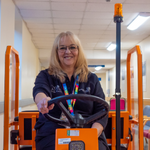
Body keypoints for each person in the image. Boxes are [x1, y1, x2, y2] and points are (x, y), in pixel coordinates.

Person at [33, 31, 109, 150]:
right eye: (62, 48)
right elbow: (39, 91)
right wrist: (43, 101)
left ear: (78, 51)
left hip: (88, 130)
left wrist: (93, 133)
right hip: (54, 132)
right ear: (56, 52)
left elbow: (102, 110)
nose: (68, 51)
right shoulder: (46, 75)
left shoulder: (91, 78)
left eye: (72, 47)